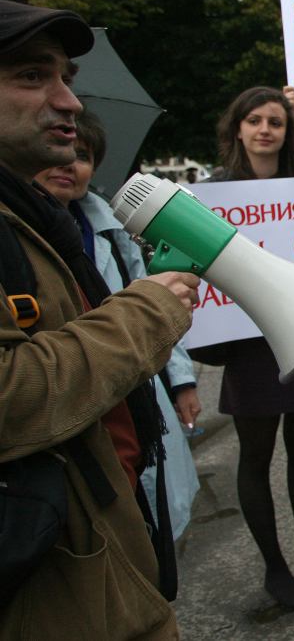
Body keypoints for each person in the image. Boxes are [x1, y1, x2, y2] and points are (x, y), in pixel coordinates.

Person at [0, 0, 197, 634]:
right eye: (32, 77)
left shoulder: (30, 219)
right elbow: (12, 395)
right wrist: (148, 312)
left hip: (89, 543)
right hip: (49, 582)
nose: (69, 103)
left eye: (67, 79)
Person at [191, 86, 294, 609]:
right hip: (249, 342)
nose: (264, 130)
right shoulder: (212, 195)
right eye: (254, 120)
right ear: (238, 128)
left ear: (286, 131)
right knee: (256, 456)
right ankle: (275, 569)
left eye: (274, 122)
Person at [34, 109, 201, 542]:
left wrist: (181, 382)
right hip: (74, 396)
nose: (70, 164)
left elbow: (152, 304)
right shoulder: (23, 238)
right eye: (61, 151)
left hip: (137, 387)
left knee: (154, 515)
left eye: (83, 155)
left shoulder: (110, 230)